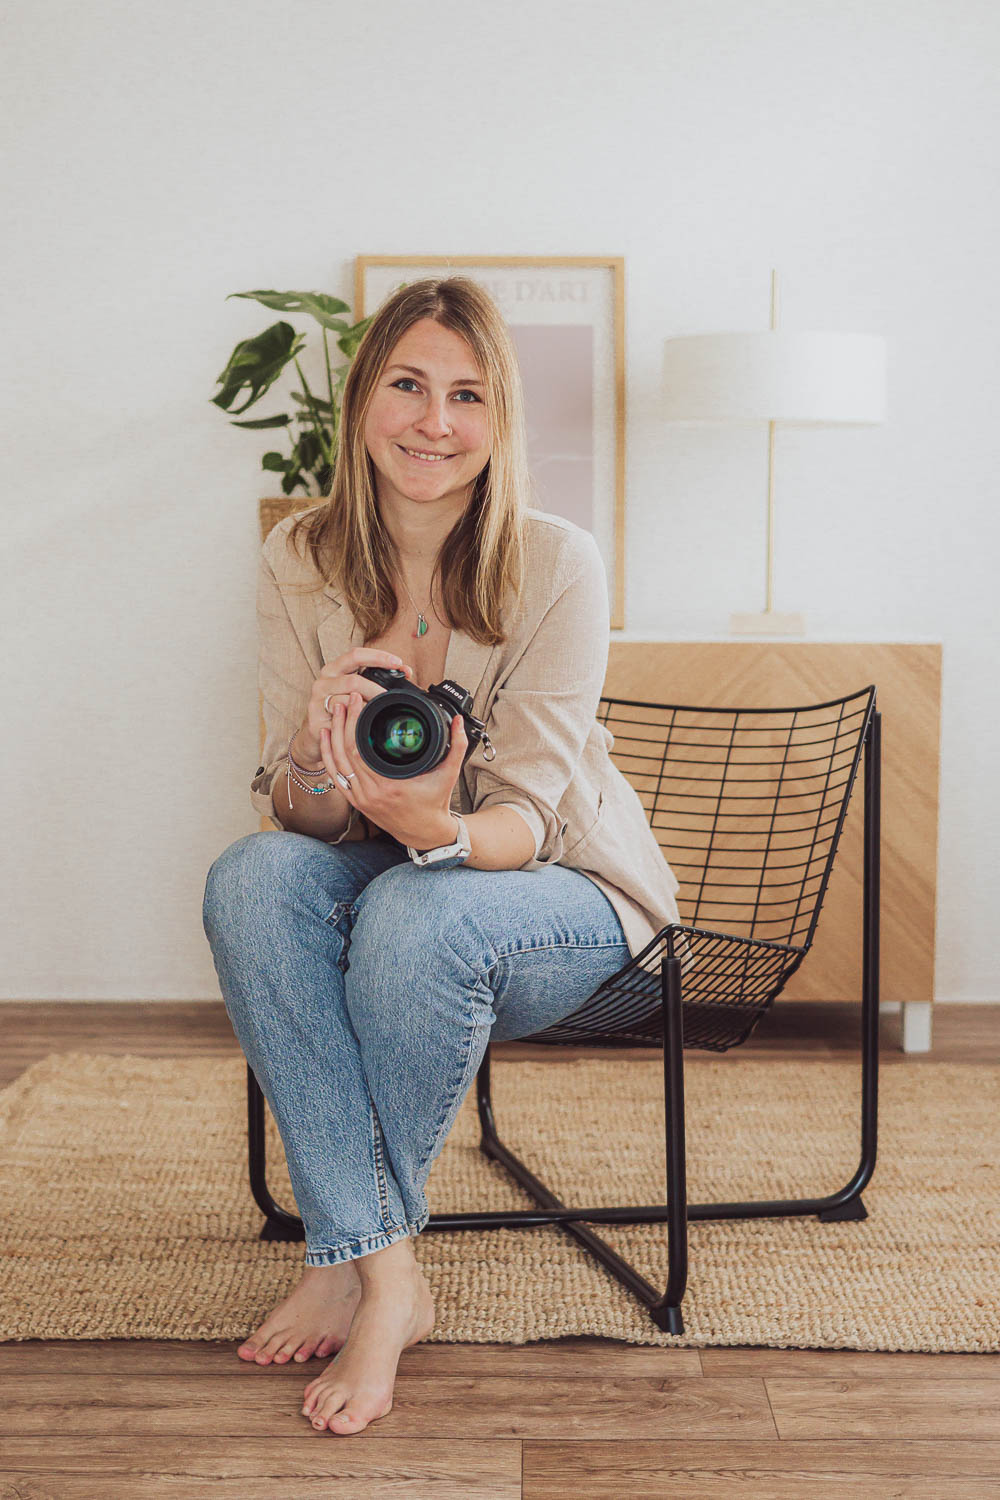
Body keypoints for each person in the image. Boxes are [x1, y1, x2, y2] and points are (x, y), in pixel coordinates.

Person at [201, 276, 680, 1437]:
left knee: (420, 915)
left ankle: (360, 1268)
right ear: (364, 399)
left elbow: (521, 821)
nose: (433, 420)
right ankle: (381, 1261)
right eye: (408, 385)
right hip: (391, 876)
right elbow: (300, 823)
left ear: (499, 420)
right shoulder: (300, 560)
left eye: (466, 395)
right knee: (249, 881)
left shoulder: (555, 562)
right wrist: (320, 752)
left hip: (562, 893)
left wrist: (432, 828)